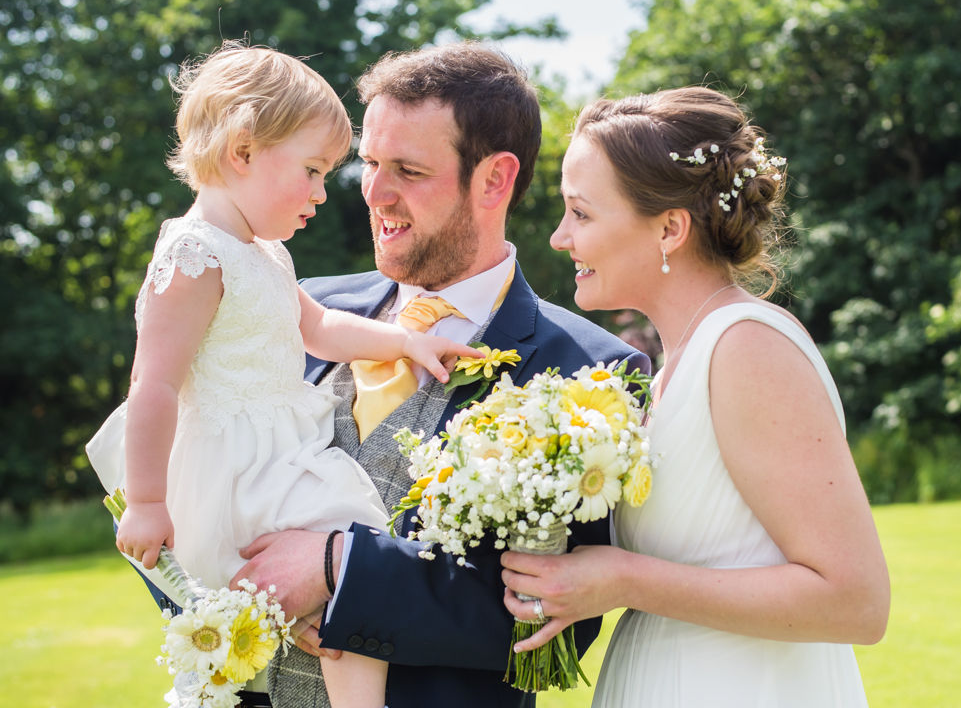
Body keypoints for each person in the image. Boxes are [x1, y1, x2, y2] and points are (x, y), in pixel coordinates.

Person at [230, 42, 651, 708]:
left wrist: (335, 571)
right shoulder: (300, 305)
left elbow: (546, 629)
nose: (375, 192)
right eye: (369, 163)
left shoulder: (590, 373)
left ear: (493, 180)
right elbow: (199, 465)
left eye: (408, 169)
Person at [87, 40, 482, 708]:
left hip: (279, 454)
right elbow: (152, 384)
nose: (324, 194)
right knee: (355, 543)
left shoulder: (263, 254)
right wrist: (149, 500)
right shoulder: (194, 256)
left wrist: (406, 342)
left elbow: (321, 328)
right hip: (235, 469)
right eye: (311, 170)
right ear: (243, 153)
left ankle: (328, 657)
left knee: (344, 581)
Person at [500, 87, 890, 706]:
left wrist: (625, 580)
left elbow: (856, 601)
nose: (558, 237)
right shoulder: (669, 367)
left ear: (670, 229)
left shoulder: (747, 350)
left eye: (581, 213)